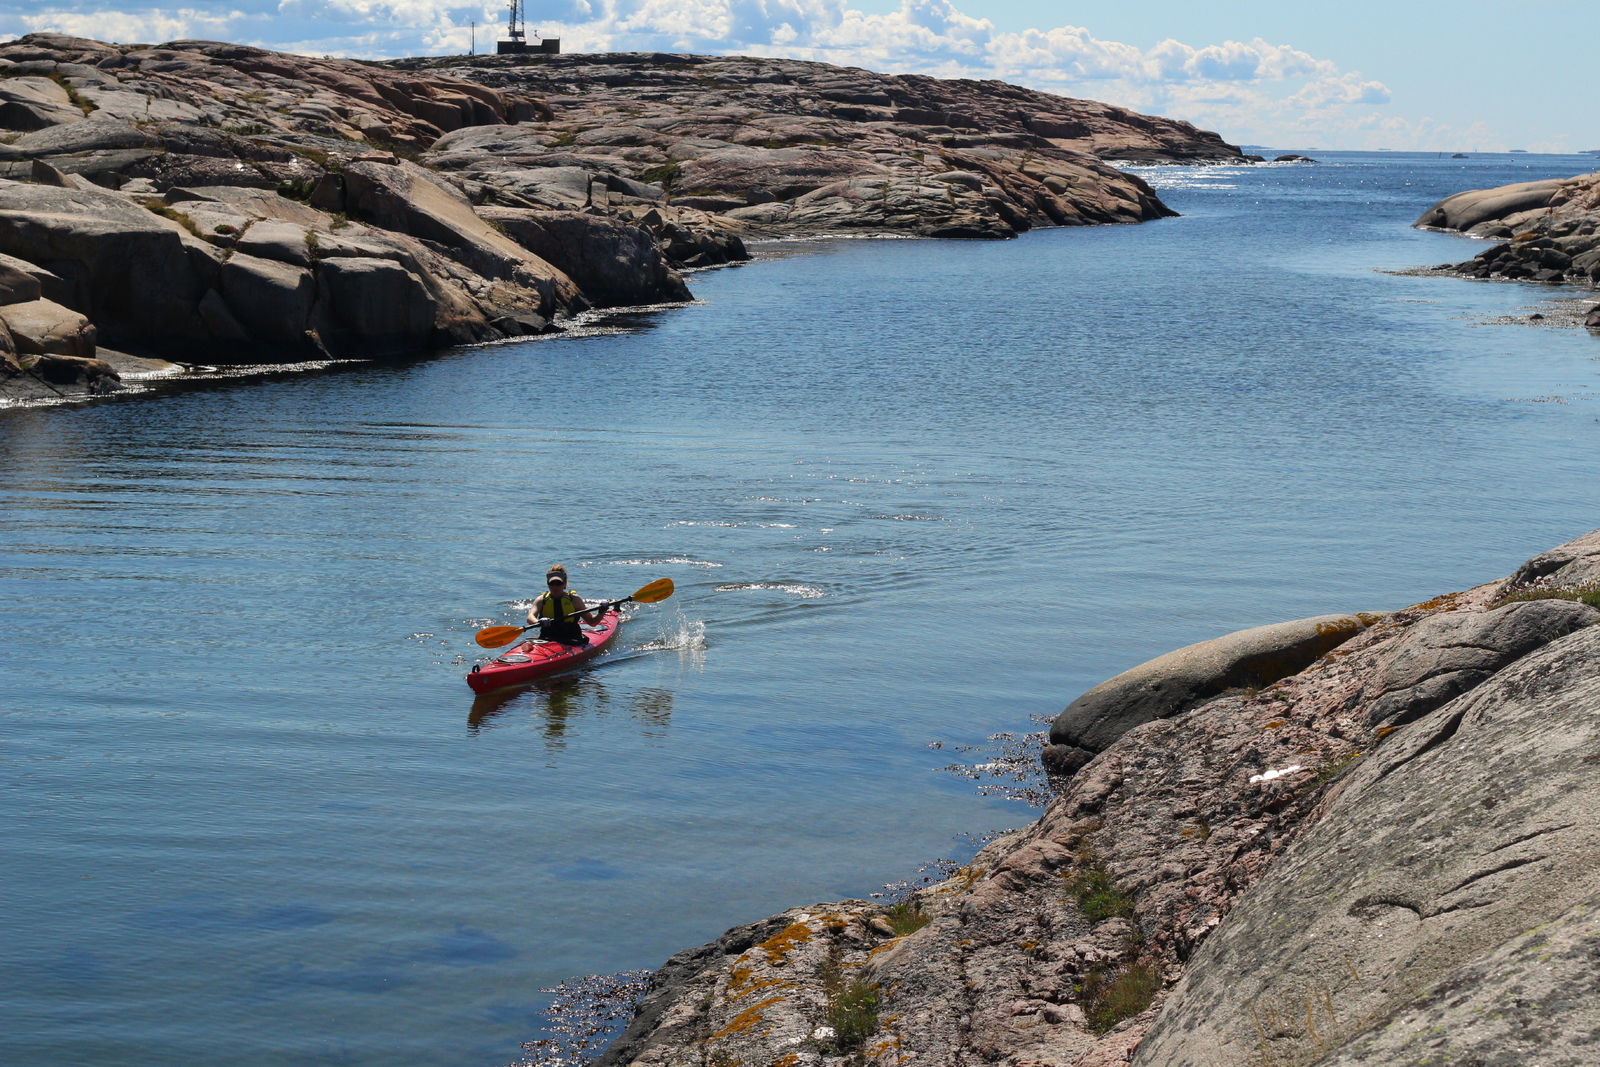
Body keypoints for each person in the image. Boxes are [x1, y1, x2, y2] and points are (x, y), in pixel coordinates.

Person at [528, 565, 604, 646]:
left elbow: (592, 622)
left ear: (565, 583)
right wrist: (538, 621)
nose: (555, 586)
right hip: (547, 638)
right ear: (547, 583)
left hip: (572, 639)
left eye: (558, 583)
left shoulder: (574, 599)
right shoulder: (541, 600)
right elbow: (530, 618)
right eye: (552, 583)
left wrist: (602, 612)